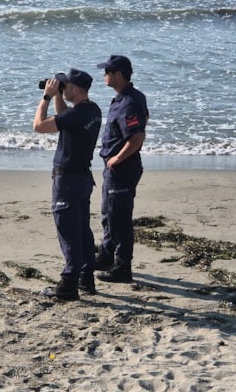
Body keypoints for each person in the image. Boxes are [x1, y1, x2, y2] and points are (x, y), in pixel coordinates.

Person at [33, 68, 102, 300]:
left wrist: (46, 97)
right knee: (82, 229)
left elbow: (39, 126)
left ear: (74, 89)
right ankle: (86, 278)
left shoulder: (76, 115)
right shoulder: (92, 111)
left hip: (68, 180)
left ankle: (68, 286)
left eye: (66, 87)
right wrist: (59, 96)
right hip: (82, 178)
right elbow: (64, 120)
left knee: (68, 232)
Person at [94, 55, 149, 283]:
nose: (104, 75)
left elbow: (137, 136)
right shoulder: (125, 98)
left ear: (119, 74)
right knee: (108, 214)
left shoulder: (129, 102)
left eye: (107, 71)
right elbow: (145, 117)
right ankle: (106, 255)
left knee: (120, 219)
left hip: (123, 168)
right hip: (116, 168)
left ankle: (122, 268)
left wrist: (117, 157)